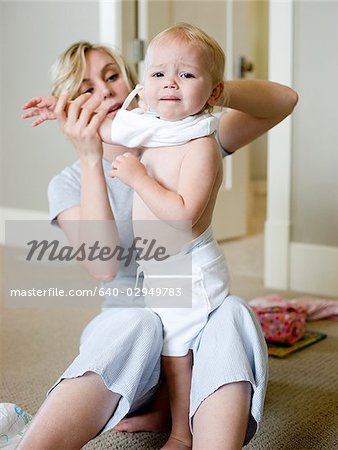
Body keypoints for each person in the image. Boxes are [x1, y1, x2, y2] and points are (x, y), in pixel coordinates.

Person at [18, 32, 298, 449]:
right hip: (134, 357)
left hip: (195, 352)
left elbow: (283, 100)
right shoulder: (69, 182)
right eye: (86, 88)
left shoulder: (183, 137)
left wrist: (196, 82)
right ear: (68, 106)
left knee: (235, 313)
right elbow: (104, 266)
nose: (105, 91)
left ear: (135, 82)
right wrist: (92, 157)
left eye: (112, 76)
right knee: (140, 322)